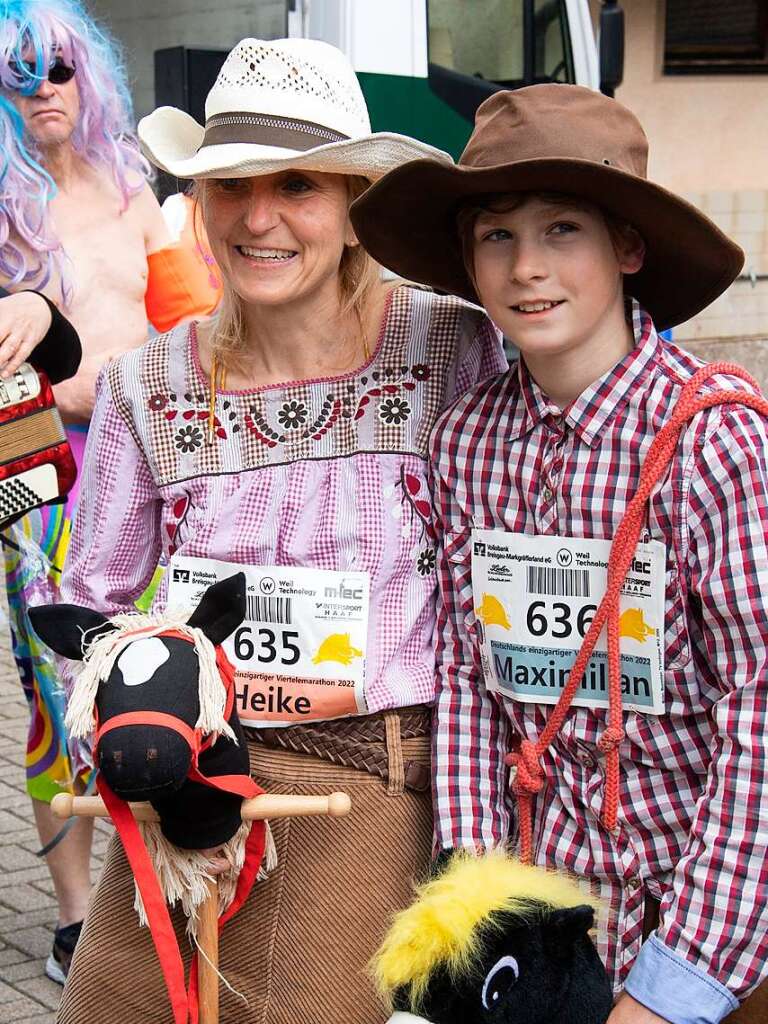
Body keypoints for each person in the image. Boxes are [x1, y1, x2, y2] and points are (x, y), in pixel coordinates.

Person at [55, 36, 506, 1024]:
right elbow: (85, 604)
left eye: (296, 185)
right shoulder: (150, 383)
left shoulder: (453, 349)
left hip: (376, 782)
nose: (258, 218)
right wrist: (126, 746)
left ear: (353, 207)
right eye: (229, 185)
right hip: (191, 786)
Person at [350, 85, 768, 1024]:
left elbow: (762, 720)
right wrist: (477, 905)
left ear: (628, 248)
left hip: (702, 926)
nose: (527, 268)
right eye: (496, 235)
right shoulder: (465, 441)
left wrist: (677, 983)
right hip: (540, 930)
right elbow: (467, 678)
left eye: (563, 229)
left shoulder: (715, 445)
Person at [0, 0, 219, 983]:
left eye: (56, 67)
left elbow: (193, 314)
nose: (41, 89)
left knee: (165, 674)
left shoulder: (136, 184)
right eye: (18, 73)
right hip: (49, 479)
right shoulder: (6, 207)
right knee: (59, 692)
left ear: (89, 73)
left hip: (164, 465)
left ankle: (165, 877)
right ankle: (78, 916)